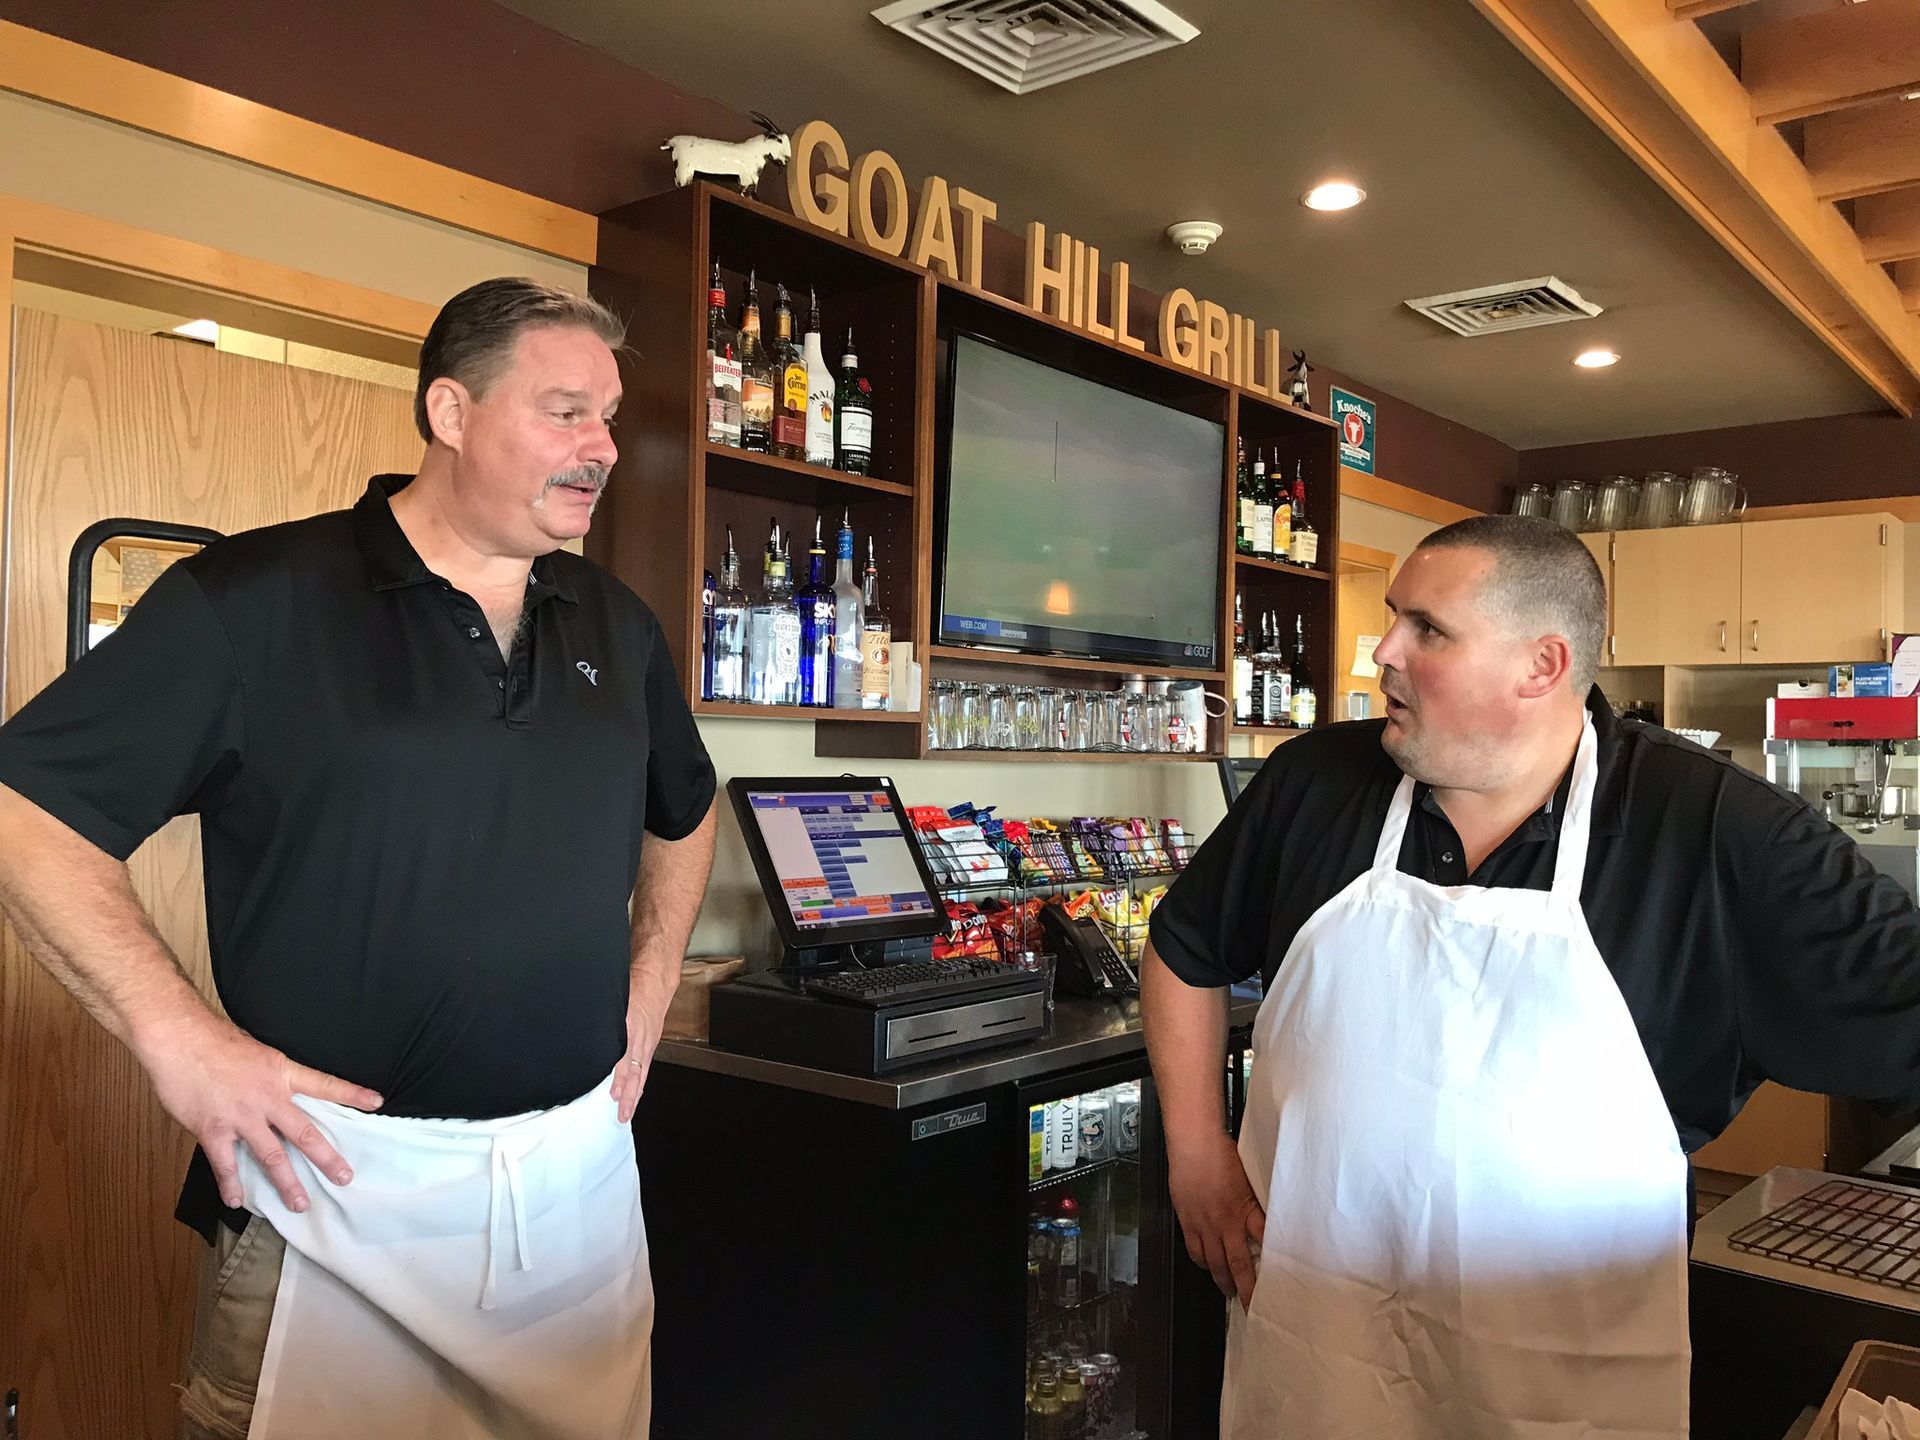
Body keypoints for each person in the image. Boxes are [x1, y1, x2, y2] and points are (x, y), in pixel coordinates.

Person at [0, 277, 716, 1438]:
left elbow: (686, 811)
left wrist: (652, 980)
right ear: (450, 411)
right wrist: (177, 1035)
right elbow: (27, 806)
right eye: (566, 412)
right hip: (335, 1202)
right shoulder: (252, 602)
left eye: (609, 417)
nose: (604, 448)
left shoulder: (615, 623)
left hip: (577, 1190)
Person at [1142, 515, 1920, 1439]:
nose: (1382, 653)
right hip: (1318, 1356)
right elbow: (1182, 951)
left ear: (1542, 666)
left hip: (1558, 1385)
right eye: (1394, 618)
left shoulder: (1714, 834)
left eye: (1427, 629)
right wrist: (1197, 1154)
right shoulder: (1313, 783)